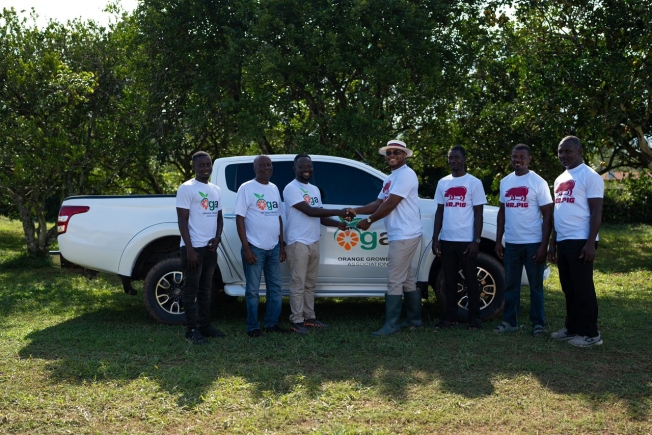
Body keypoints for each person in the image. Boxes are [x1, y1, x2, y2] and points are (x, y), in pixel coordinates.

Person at [354, 139, 423, 336]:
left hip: (405, 234)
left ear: (404, 155)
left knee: (394, 279)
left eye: (396, 152)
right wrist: (356, 211)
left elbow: (391, 203)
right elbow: (378, 202)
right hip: (400, 233)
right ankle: (414, 320)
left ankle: (391, 324)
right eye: (389, 153)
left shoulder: (406, 175)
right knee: (407, 277)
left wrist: (368, 220)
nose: (392, 156)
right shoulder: (391, 178)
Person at [283, 154, 351, 334]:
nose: (306, 169)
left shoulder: (313, 189)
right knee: (298, 282)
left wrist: (337, 223)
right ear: (295, 169)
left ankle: (309, 317)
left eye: (309, 166)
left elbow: (319, 215)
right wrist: (339, 211)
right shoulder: (291, 189)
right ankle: (296, 320)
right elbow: (309, 211)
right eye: (302, 166)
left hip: (313, 241)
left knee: (310, 283)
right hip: (298, 242)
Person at [548, 135, 604, 347]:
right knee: (569, 288)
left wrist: (591, 242)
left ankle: (591, 334)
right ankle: (572, 328)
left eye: (568, 151)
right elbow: (558, 212)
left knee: (583, 288)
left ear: (579, 151)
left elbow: (597, 210)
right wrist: (553, 241)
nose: (563, 155)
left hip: (582, 240)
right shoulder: (560, 178)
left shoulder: (590, 176)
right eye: (561, 152)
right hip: (564, 240)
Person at [493, 144, 553, 336]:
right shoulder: (505, 182)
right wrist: (498, 240)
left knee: (536, 285)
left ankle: (538, 324)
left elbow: (548, 215)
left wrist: (544, 245)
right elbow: (502, 213)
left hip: (533, 242)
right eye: (514, 156)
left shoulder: (538, 182)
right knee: (511, 284)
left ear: (529, 159)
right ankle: (509, 321)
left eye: (521, 157)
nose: (517, 160)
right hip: (511, 242)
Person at [432, 145, 487, 330]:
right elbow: (439, 212)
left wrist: (476, 240)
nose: (453, 161)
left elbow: (479, 213)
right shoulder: (443, 183)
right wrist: (435, 238)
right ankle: (450, 317)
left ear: (464, 159)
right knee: (449, 281)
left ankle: (475, 319)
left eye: (456, 157)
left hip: (466, 241)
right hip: (447, 239)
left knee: (471, 281)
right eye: (450, 157)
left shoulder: (474, 183)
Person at [235, 155, 288, 337]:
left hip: (273, 247)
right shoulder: (246, 188)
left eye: (269, 164)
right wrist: (247, 248)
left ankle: (271, 324)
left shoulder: (274, 188)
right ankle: (253, 327)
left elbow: (278, 217)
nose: (267, 167)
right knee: (252, 291)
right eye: (262, 165)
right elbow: (240, 218)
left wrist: (281, 245)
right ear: (254, 168)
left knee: (276, 288)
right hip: (254, 247)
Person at [176, 151, 225, 344]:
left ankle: (205, 326)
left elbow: (219, 218)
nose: (205, 168)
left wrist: (218, 237)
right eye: (201, 165)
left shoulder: (216, 189)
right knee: (190, 290)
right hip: (193, 248)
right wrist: (190, 250)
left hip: (210, 248)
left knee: (206, 289)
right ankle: (191, 330)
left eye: (208, 164)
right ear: (194, 167)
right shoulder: (187, 188)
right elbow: (182, 220)